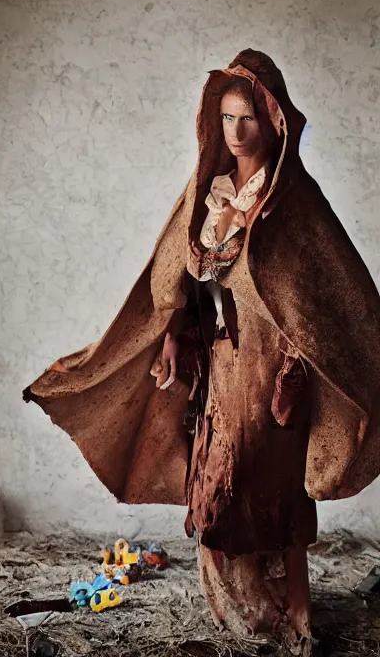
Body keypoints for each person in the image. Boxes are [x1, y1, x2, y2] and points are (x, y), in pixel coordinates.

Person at [23, 49, 380, 656]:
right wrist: (172, 337)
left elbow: (328, 292)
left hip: (274, 368)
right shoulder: (209, 194)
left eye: (248, 118)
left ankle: (296, 608)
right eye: (226, 119)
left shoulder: (292, 200)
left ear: (273, 121)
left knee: (277, 487)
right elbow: (186, 279)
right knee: (216, 485)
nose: (236, 132)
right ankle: (242, 609)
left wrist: (298, 363)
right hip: (222, 361)